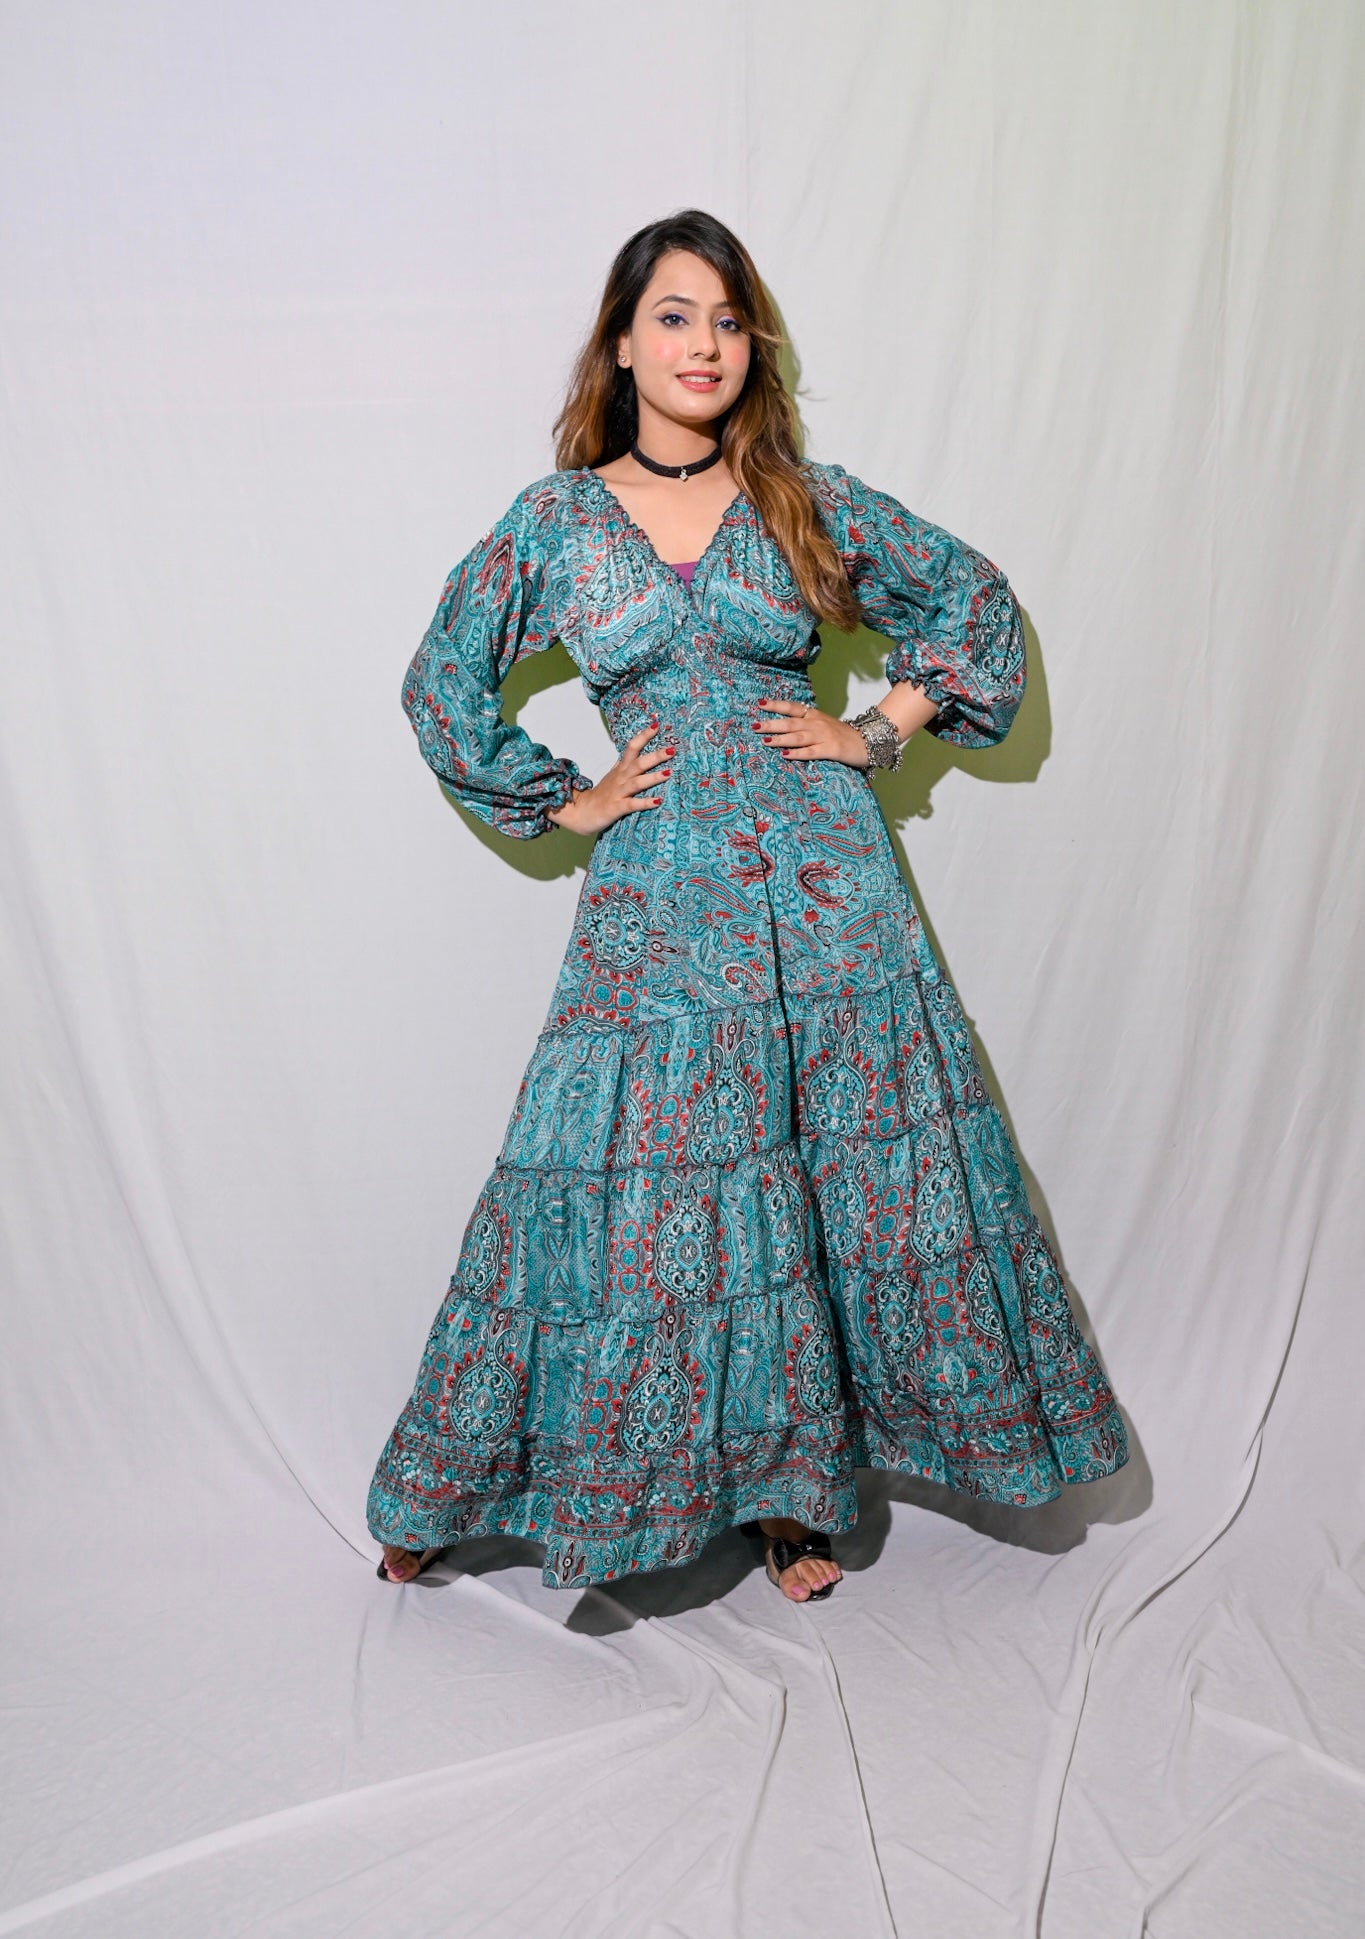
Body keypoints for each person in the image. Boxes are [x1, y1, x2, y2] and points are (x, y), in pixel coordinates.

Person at [366, 209, 1128, 1605]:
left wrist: (875, 730)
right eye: (674, 316)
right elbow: (441, 683)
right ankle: (461, 1486)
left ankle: (795, 1497)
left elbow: (974, 606)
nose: (703, 344)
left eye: (726, 320)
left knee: (834, 1177)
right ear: (622, 342)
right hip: (659, 897)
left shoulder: (801, 499)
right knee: (626, 1183)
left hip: (826, 888)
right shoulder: (556, 522)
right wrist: (566, 800)